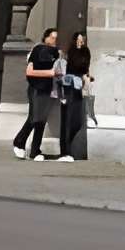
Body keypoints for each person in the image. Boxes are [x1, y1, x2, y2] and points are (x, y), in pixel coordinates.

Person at [12, 27, 61, 159]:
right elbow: (30, 72)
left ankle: (35, 151)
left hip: (47, 89)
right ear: (45, 38)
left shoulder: (55, 53)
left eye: (56, 38)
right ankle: (19, 143)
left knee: (41, 119)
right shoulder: (38, 49)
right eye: (52, 37)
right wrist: (50, 73)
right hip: (36, 88)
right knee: (35, 118)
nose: (54, 40)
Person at [57, 32, 92, 161]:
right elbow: (74, 65)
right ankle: (65, 151)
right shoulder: (70, 52)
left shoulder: (85, 51)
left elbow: (84, 65)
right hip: (68, 86)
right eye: (78, 40)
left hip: (79, 87)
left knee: (76, 121)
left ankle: (69, 149)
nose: (80, 42)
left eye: (82, 40)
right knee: (68, 119)